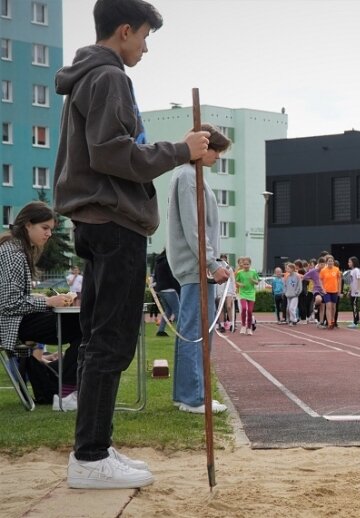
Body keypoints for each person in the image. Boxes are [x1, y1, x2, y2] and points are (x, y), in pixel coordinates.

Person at [53, 0, 211, 489]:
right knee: (112, 341)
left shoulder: (87, 77)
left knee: (101, 339)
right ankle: (91, 456)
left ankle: (93, 449)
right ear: (125, 31)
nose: (145, 46)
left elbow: (103, 150)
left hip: (97, 220)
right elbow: (111, 152)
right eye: (144, 36)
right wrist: (181, 150)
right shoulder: (109, 77)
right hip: (114, 221)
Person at [167, 122, 231, 414]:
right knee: (198, 331)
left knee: (192, 329)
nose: (218, 156)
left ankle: (186, 394)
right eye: (216, 150)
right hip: (197, 267)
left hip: (195, 265)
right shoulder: (190, 177)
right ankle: (193, 397)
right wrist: (212, 263)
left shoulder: (188, 175)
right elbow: (195, 228)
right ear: (203, 147)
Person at [0, 202, 81, 410]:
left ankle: (60, 385)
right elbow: (8, 303)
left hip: (17, 320)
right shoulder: (13, 254)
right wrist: (47, 301)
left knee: (82, 324)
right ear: (28, 225)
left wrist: (40, 298)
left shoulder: (15, 249)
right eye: (45, 228)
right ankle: (66, 391)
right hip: (12, 324)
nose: (49, 234)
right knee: (83, 325)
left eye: (51, 229)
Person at [152, 249, 179, 337]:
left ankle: (161, 330)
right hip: (169, 289)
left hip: (160, 289)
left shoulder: (158, 262)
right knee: (177, 311)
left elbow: (155, 276)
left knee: (168, 310)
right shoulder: (168, 261)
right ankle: (182, 331)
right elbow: (172, 277)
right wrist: (178, 289)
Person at [234, 256, 259, 335]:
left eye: (247, 264)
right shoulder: (239, 273)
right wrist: (239, 284)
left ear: (250, 264)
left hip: (251, 293)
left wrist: (253, 280)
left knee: (250, 311)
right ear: (242, 265)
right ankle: (243, 326)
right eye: (244, 264)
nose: (246, 266)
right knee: (244, 308)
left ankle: (249, 328)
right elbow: (236, 281)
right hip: (243, 293)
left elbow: (257, 282)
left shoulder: (253, 272)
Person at [319, 255, 341, 329]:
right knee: (328, 306)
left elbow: (339, 280)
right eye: (329, 261)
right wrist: (322, 289)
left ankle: (332, 320)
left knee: (333, 307)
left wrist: (339, 290)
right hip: (326, 291)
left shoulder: (336, 269)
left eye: (331, 261)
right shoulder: (323, 270)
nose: (330, 262)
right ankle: (329, 323)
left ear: (333, 262)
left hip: (334, 291)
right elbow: (320, 280)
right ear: (326, 262)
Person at [215, 253, 235, 332]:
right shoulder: (217, 268)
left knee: (229, 306)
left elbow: (232, 279)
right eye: (222, 259)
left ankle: (231, 324)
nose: (223, 260)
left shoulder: (229, 268)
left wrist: (234, 291)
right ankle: (222, 325)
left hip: (228, 289)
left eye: (225, 259)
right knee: (221, 308)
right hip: (220, 289)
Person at [346, 256, 360, 328]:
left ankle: (355, 323)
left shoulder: (356, 270)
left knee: (354, 306)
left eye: (349, 262)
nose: (348, 263)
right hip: (352, 291)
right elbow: (351, 282)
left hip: (356, 292)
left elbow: (359, 279)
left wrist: (357, 290)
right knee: (353, 306)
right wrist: (349, 291)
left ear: (353, 263)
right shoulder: (352, 271)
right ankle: (357, 320)